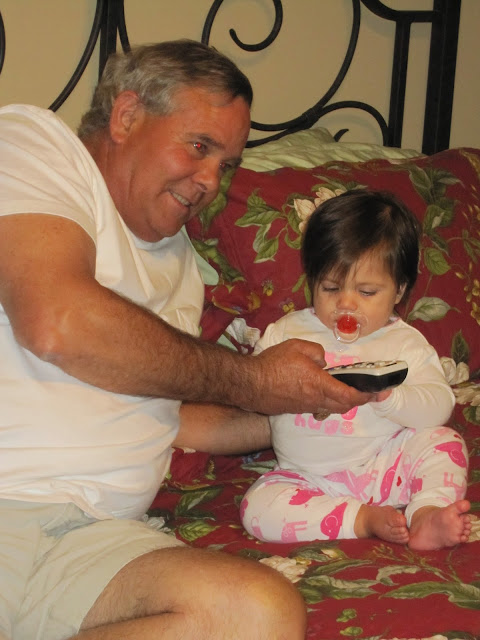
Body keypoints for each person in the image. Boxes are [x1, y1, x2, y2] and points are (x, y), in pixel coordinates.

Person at [0, 39, 374, 640]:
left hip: (93, 541)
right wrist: (254, 379)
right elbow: (57, 323)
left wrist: (310, 404)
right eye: (200, 147)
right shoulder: (32, 145)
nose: (209, 182)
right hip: (7, 506)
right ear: (126, 116)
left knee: (260, 611)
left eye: (226, 165)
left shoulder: (178, 261)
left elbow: (171, 419)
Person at [241, 189, 472, 551]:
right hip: (307, 478)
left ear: (399, 290)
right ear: (312, 279)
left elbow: (439, 405)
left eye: (366, 292)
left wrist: (390, 399)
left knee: (445, 443)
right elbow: (252, 391)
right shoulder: (286, 333)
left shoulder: (404, 342)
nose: (346, 303)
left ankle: (426, 513)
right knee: (257, 509)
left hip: (385, 466)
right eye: (331, 287)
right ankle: (360, 519)